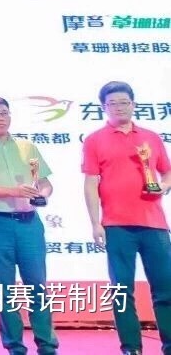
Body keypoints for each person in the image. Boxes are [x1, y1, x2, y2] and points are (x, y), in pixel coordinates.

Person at [0, 96, 59, 355]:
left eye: (4, 112)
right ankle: (15, 347)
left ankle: (47, 346)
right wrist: (13, 191)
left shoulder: (27, 147)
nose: (0, 118)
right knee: (4, 288)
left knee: (37, 284)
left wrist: (43, 195)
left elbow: (44, 182)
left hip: (29, 223)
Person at [83, 80, 171, 355]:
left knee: (166, 289)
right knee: (122, 290)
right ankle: (131, 348)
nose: (119, 107)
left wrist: (163, 186)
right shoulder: (95, 140)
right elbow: (90, 183)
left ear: (133, 104)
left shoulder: (151, 137)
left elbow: (167, 171)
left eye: (124, 102)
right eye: (112, 103)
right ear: (103, 107)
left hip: (154, 224)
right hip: (116, 225)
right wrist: (95, 222)